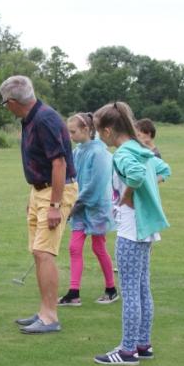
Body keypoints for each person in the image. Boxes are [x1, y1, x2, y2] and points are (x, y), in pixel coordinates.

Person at [92, 101, 170, 366]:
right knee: (142, 288)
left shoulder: (124, 153)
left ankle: (127, 351)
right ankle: (142, 344)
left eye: (100, 131)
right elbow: (163, 169)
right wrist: (145, 190)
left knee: (131, 291)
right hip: (145, 229)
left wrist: (128, 195)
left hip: (131, 229)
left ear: (109, 129)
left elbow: (137, 175)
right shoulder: (140, 148)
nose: (100, 137)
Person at [0, 75, 78, 334]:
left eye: (5, 103)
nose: (5, 107)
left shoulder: (45, 119)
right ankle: (44, 310)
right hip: (39, 191)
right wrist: (34, 195)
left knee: (45, 253)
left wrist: (54, 204)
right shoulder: (30, 118)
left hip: (56, 191)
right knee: (37, 251)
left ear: (12, 101)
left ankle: (50, 317)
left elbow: (60, 163)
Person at [59, 112, 118, 308]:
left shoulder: (100, 152)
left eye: (73, 131)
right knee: (74, 247)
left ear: (86, 129)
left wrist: (78, 202)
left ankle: (111, 289)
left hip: (96, 207)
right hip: (79, 207)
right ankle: (74, 292)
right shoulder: (78, 151)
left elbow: (96, 184)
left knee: (98, 247)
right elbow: (72, 177)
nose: (70, 135)